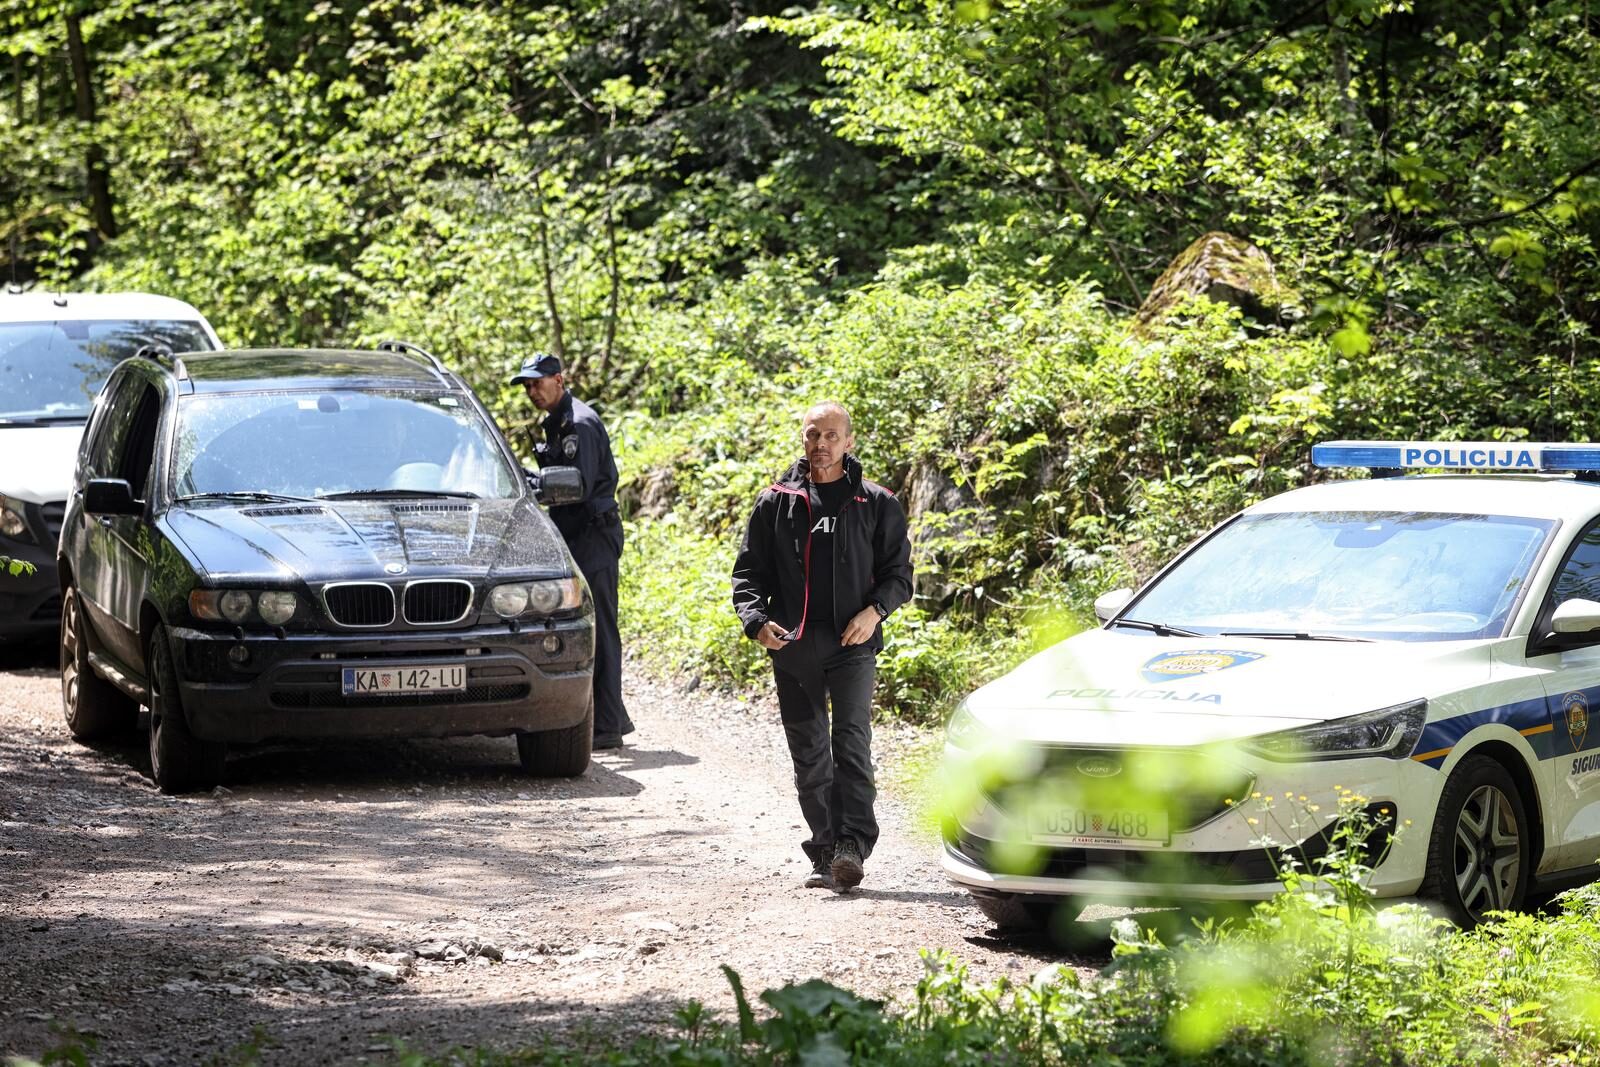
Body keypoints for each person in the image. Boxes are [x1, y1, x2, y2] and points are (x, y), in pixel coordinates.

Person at [731, 401, 913, 892]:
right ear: (803, 439)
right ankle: (825, 849)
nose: (822, 445)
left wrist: (873, 611)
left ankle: (853, 844)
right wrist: (756, 621)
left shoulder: (877, 503)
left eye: (832, 436)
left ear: (849, 442)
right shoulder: (776, 501)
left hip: (852, 644)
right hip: (792, 648)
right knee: (809, 753)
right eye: (813, 435)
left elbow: (900, 576)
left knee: (851, 743)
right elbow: (748, 575)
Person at [511, 352, 635, 750]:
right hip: (574, 534)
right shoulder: (557, 422)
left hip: (593, 535)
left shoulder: (578, 423)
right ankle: (609, 714)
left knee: (600, 629)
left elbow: (572, 487)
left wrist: (532, 483)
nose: (532, 391)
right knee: (582, 626)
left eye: (538, 383)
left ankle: (607, 728)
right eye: (528, 386)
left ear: (559, 380)